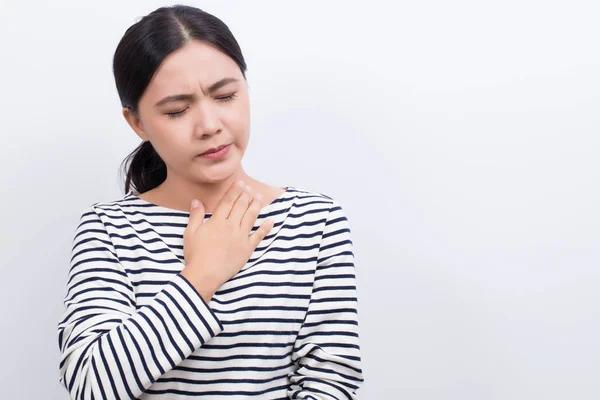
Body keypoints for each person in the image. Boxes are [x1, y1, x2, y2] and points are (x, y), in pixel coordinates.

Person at [57, 5, 364, 399]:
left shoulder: (314, 221)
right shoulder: (108, 229)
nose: (209, 126)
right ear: (137, 124)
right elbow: (91, 385)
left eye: (225, 96)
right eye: (177, 110)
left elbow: (332, 384)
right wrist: (202, 274)